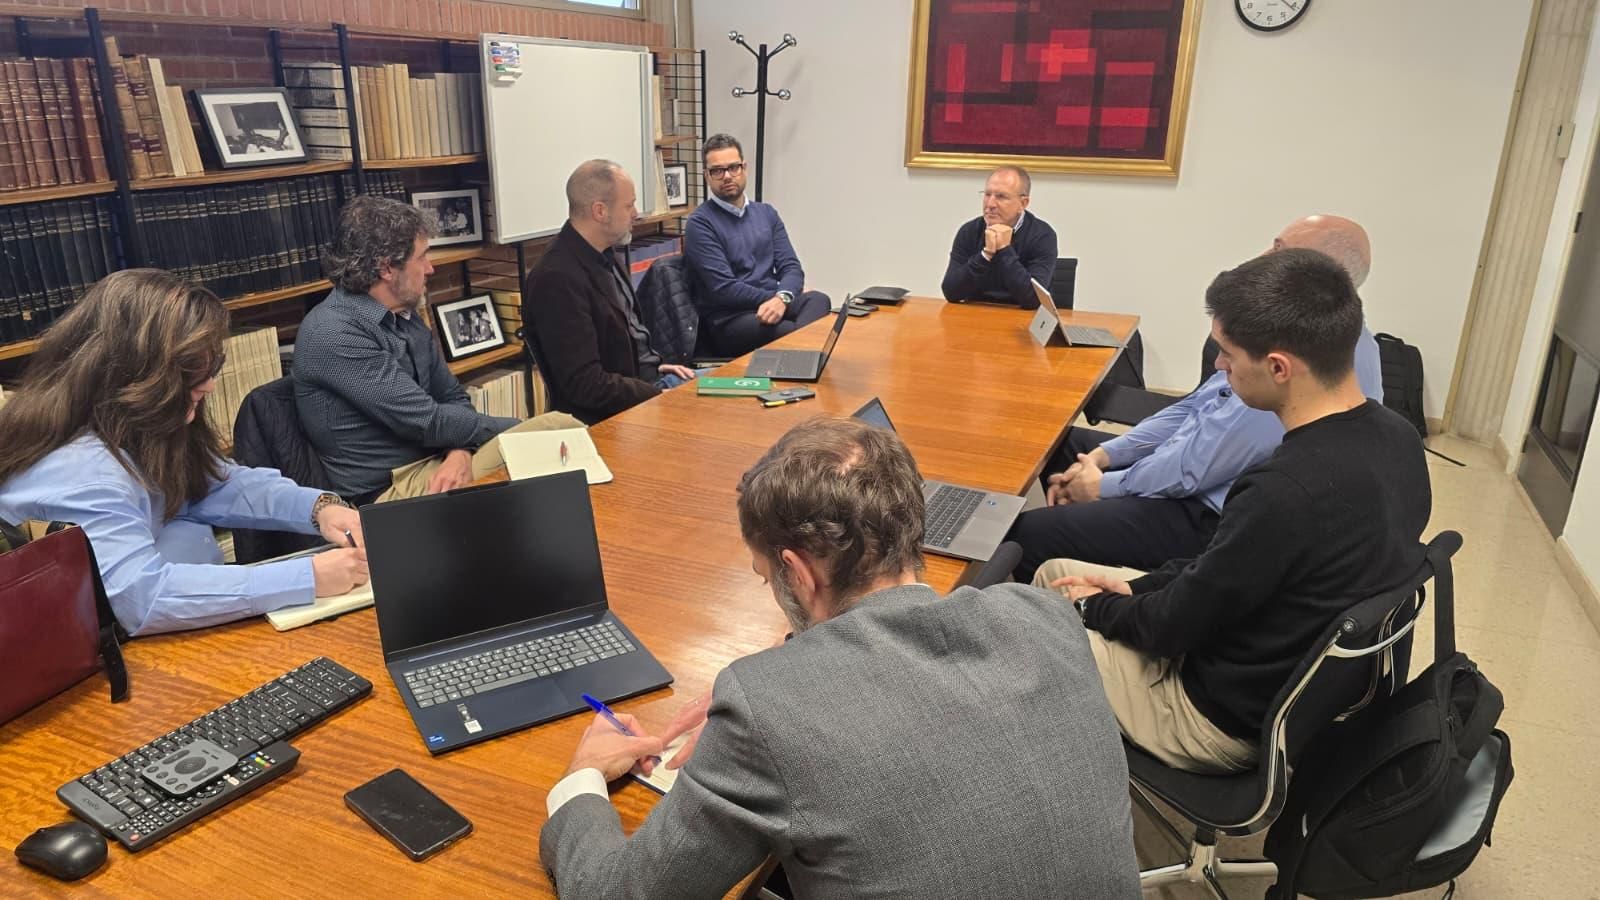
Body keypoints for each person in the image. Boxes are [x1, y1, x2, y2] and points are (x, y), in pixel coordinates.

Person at [539, 416, 1140, 899]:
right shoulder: (1042, 618)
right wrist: (790, 678)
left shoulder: (769, 713)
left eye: (764, 574)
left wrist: (582, 778)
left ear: (797, 573)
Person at [1037, 248, 1431, 774]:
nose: (1220, 367)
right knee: (1057, 572)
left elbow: (1174, 627)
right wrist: (1133, 589)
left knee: (1036, 614)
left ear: (1278, 368)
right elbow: (1217, 576)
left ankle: (1057, 787)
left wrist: (1091, 610)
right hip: (1288, 681)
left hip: (1216, 719)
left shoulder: (1283, 488)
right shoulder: (1398, 439)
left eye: (1227, 355)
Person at [1009, 214, 1385, 581]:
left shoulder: (1296, 365)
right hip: (1197, 473)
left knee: (1027, 533)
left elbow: (1193, 470)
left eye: (1281, 250)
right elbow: (1193, 408)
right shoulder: (1292, 336)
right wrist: (1104, 457)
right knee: (1063, 441)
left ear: (1323, 277)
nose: (1264, 258)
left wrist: (1100, 485)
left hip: (1208, 516)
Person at [0, 269, 369, 637]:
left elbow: (213, 482)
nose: (209, 384)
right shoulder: (84, 468)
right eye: (193, 370)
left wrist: (318, 507)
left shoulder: (128, 425)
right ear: (140, 374)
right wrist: (307, 578)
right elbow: (142, 599)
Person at [295, 196, 580, 504]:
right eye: (422, 257)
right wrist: (513, 428)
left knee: (560, 442)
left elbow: (451, 398)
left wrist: (459, 451)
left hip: (436, 460)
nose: (431, 268)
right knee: (557, 430)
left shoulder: (402, 313)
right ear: (386, 268)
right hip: (387, 493)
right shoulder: (334, 332)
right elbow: (426, 421)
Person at [522, 159, 697, 425]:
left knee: (743, 391)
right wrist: (657, 393)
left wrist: (653, 367)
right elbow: (586, 384)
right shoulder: (557, 279)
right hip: (619, 415)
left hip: (648, 385)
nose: (636, 214)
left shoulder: (604, 252)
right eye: (629, 206)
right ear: (600, 211)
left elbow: (623, 339)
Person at [683, 133, 831, 357]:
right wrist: (779, 297)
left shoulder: (766, 213)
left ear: (745, 168)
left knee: (819, 300)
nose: (727, 176)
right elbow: (724, 289)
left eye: (733, 167)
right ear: (706, 176)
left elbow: (791, 267)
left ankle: (803, 367)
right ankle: (806, 367)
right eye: (717, 170)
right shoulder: (700, 223)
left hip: (773, 302)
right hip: (731, 319)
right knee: (798, 334)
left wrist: (782, 298)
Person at [940, 165, 1058, 308]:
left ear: (1023, 203)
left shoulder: (1042, 235)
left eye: (1001, 197)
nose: (990, 204)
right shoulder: (969, 231)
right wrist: (986, 255)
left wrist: (1004, 249)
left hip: (1022, 319)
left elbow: (1033, 299)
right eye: (987, 194)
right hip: (974, 316)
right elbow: (951, 292)